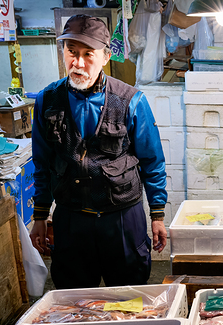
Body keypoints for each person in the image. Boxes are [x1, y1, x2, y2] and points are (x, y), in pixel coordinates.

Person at [29, 14, 167, 289]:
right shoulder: (47, 100)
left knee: (130, 299)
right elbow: (42, 163)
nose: (78, 63)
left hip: (121, 219)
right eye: (71, 52)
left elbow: (152, 161)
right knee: (74, 304)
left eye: (88, 54)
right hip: (71, 219)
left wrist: (158, 215)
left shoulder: (131, 100)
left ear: (105, 57)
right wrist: (40, 216)